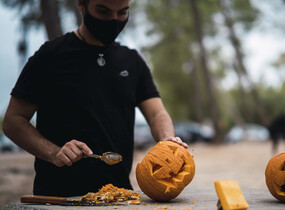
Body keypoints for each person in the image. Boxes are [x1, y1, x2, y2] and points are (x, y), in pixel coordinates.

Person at [2, 0, 188, 197]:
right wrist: (54, 152)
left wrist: (167, 140)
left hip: (118, 195)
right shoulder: (49, 57)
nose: (113, 20)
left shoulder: (132, 61)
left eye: (122, 13)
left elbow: (156, 113)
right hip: (59, 198)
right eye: (103, 11)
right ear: (82, 5)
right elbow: (13, 121)